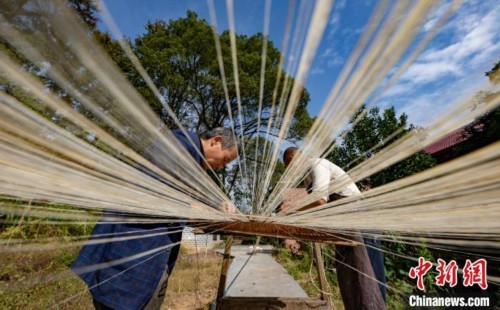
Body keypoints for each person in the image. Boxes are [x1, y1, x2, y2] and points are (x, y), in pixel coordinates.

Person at [72, 128, 240, 310]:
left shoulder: (188, 157)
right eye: (225, 160)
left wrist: (218, 203)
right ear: (215, 141)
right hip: (128, 261)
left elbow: (186, 190)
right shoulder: (178, 147)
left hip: (136, 263)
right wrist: (200, 211)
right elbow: (155, 194)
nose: (221, 166)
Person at [282, 147, 386, 310]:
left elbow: (320, 200)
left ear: (292, 159)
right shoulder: (309, 178)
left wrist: (291, 209)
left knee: (369, 274)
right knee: (351, 273)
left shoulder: (317, 164)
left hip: (361, 219)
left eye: (289, 167)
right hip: (346, 223)